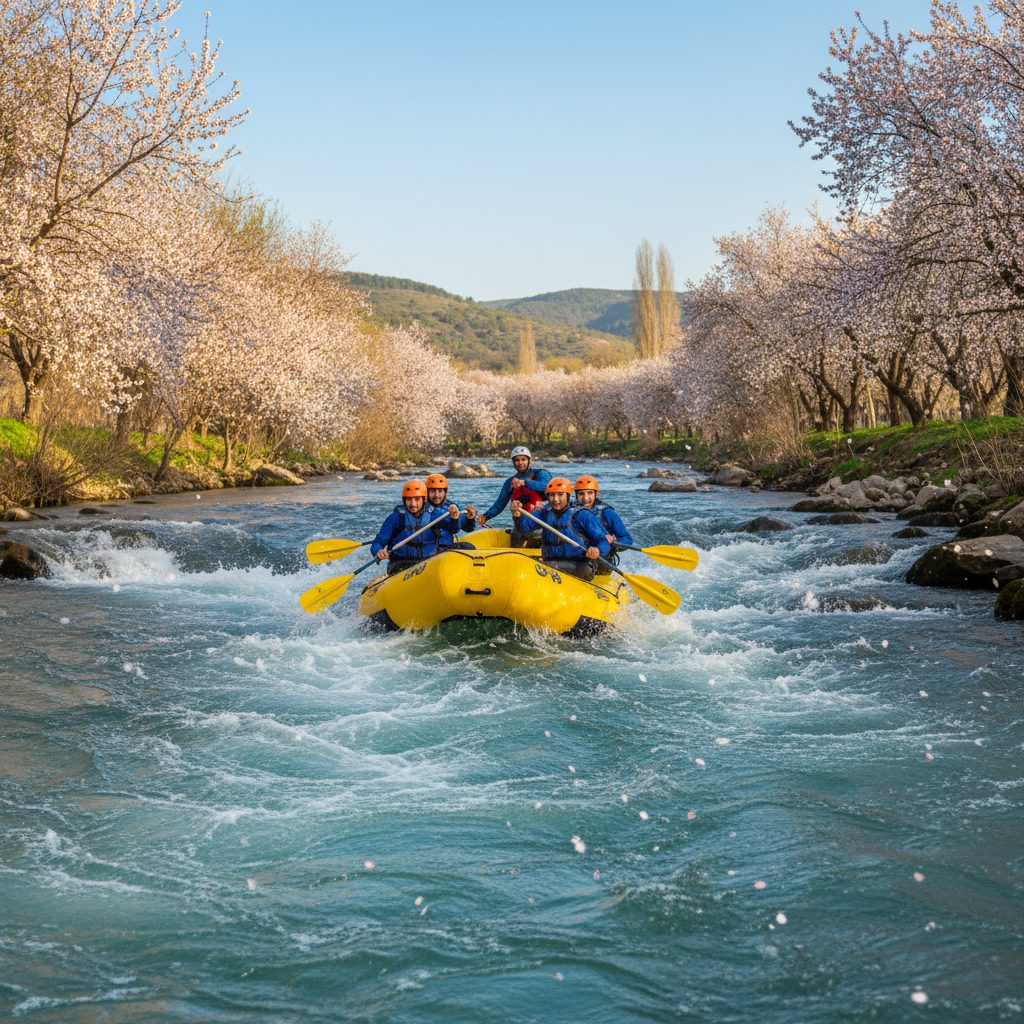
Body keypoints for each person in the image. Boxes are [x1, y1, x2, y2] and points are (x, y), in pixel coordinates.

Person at [510, 477, 610, 582]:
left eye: (560, 495)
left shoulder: (582, 515)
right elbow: (524, 528)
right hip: (551, 562)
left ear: (567, 495)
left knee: (544, 565)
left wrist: (597, 550)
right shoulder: (545, 513)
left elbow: (603, 541)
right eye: (552, 495)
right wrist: (517, 515)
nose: (555, 499)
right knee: (521, 562)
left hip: (580, 566)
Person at [370, 480, 461, 575]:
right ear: (404, 500)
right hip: (400, 563)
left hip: (429, 561)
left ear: (424, 500)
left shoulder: (434, 514)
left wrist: (454, 518)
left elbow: (454, 529)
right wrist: (378, 551)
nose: (413, 504)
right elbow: (378, 542)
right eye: (409, 499)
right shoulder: (395, 518)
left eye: (417, 499)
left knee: (466, 547)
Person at [478, 445, 551, 547]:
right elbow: (500, 503)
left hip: (541, 523)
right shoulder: (510, 482)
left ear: (529, 460)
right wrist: (486, 516)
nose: (520, 463)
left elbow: (547, 486)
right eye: (517, 460)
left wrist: (525, 483)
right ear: (513, 462)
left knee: (537, 536)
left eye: (523, 459)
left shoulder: (541, 474)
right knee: (516, 536)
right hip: (520, 524)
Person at [573, 475, 633, 563]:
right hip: (577, 556)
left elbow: (627, 538)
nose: (586, 498)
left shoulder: (607, 513)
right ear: (576, 495)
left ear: (596, 494)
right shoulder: (570, 510)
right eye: (581, 494)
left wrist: (613, 543)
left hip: (601, 558)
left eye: (590, 493)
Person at [425, 473, 477, 550]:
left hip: (446, 546)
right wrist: (454, 519)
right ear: (427, 492)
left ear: (445, 492)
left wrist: (470, 519)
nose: (436, 495)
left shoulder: (451, 505)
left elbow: (468, 529)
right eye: (432, 491)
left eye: (440, 491)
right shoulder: (423, 506)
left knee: (469, 547)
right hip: (428, 548)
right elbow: (455, 529)